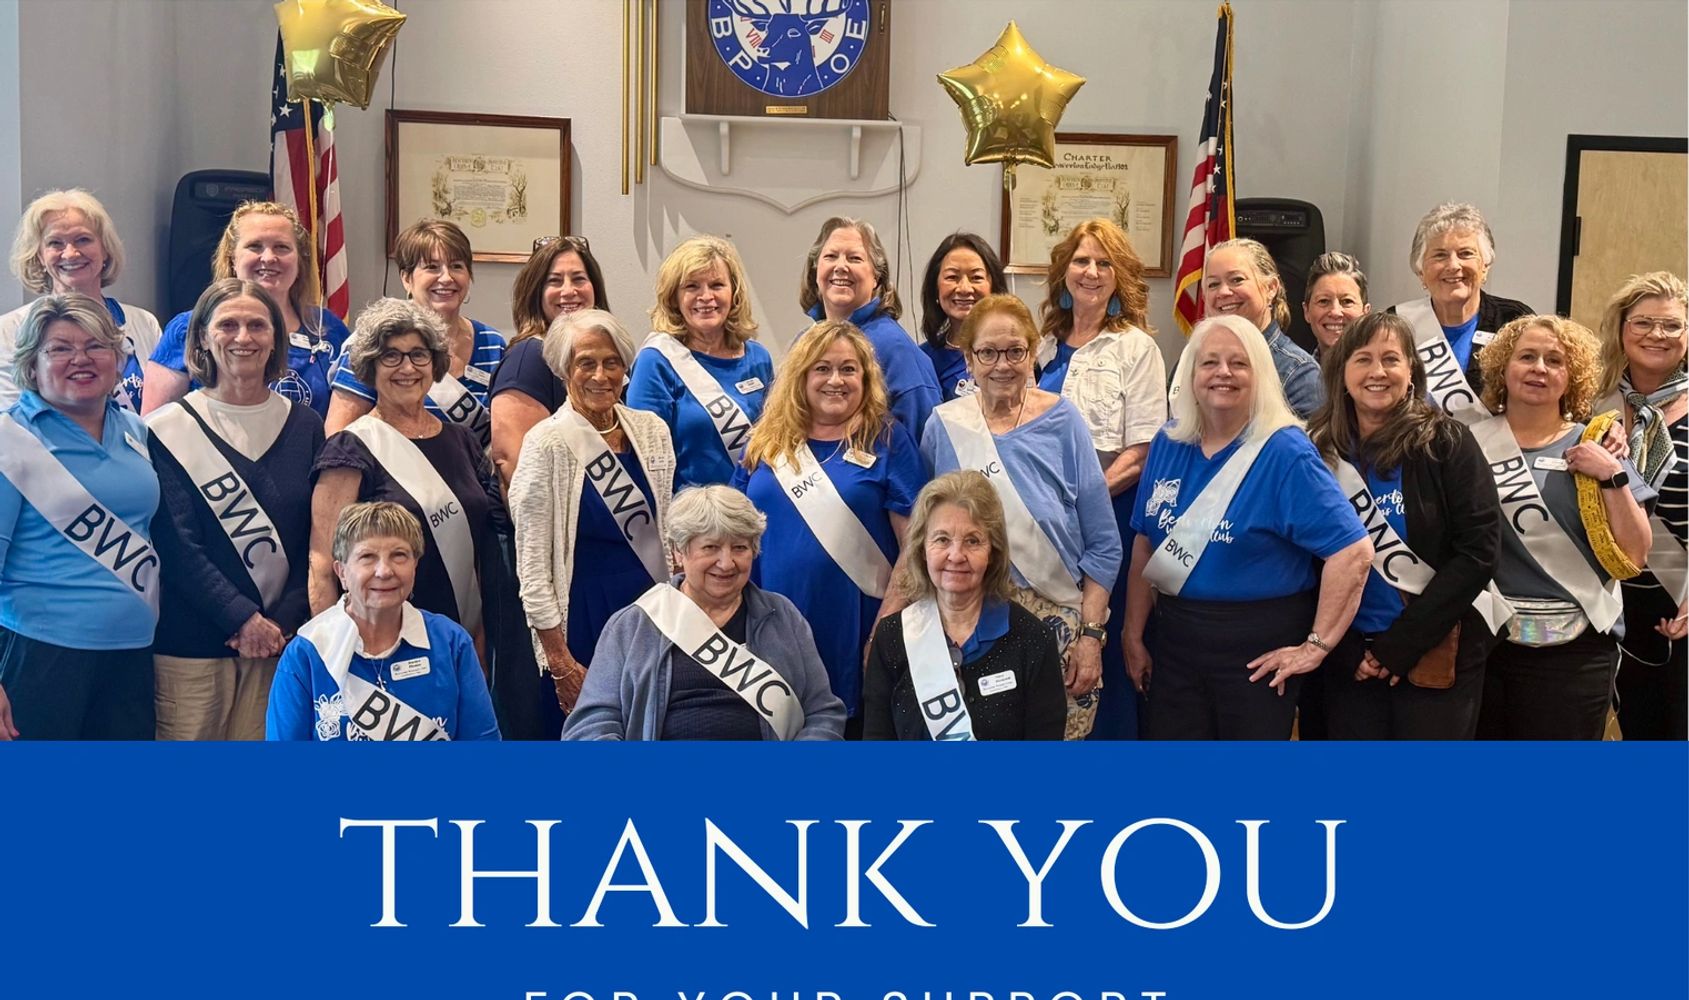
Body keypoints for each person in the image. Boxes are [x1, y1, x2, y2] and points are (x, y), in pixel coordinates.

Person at [1123, 314, 1373, 741]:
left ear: (1260, 375)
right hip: (1175, 642)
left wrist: (1316, 646)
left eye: (1239, 363)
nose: (1223, 373)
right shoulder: (1169, 442)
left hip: (1257, 655)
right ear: (1190, 373)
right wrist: (1132, 632)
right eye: (1209, 363)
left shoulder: (1285, 451)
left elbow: (1353, 553)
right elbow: (1146, 543)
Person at [919, 294, 1122, 739]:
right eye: (988, 352)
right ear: (969, 358)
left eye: (1015, 351)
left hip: (1059, 623)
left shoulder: (1065, 421)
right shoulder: (943, 427)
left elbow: (1105, 543)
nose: (1002, 364)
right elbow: (925, 537)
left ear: (1033, 353)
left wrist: (1090, 637)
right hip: (964, 623)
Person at [1306, 313, 1505, 739]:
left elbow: (1479, 552)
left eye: (1390, 359)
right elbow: (1303, 561)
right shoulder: (1317, 453)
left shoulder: (1448, 443)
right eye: (1363, 359)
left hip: (1435, 656)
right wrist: (1344, 650)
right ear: (1342, 375)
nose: (1377, 372)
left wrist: (1398, 648)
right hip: (1348, 659)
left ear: (1411, 372)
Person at [145, 279, 325, 740]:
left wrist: (281, 622)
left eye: (257, 326)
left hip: (278, 644)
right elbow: (175, 542)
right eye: (227, 324)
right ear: (203, 337)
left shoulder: (304, 426)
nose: (243, 337)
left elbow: (317, 539)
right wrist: (242, 619)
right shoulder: (166, 428)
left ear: (275, 338)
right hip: (191, 646)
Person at [733, 319, 924, 730]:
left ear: (866, 377)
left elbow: (915, 546)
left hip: (856, 626)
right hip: (771, 626)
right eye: (822, 368)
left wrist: (884, 631)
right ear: (800, 377)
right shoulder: (766, 440)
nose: (835, 380)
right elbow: (734, 531)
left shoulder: (888, 440)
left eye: (848, 369)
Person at [1472, 315, 1654, 740]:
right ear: (1504, 369)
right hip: (1486, 646)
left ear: (1571, 377)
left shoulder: (1598, 445)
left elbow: (1637, 554)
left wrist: (1611, 475)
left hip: (1575, 654)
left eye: (1554, 360)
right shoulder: (1467, 444)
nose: (1539, 368)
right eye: (1527, 357)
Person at [562, 485, 846, 740]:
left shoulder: (782, 615)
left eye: (739, 548)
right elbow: (590, 726)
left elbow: (822, 713)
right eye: (710, 547)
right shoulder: (633, 624)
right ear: (678, 552)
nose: (726, 563)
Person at [510, 309, 675, 740]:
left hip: (653, 613)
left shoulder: (652, 430)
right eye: (586, 362)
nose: (601, 375)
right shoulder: (545, 443)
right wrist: (560, 662)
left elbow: (670, 529)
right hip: (583, 620)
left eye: (612, 362)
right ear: (566, 369)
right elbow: (532, 568)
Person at [0, 294, 160, 739]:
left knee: (115, 800)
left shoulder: (135, 430)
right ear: (32, 365)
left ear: (116, 358)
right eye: (60, 349)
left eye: (95, 346)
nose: (81, 359)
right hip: (40, 652)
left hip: (131, 650)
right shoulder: (9, 439)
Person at [1035, 218, 1168, 740]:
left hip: (1106, 517)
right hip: (1043, 520)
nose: (1091, 272)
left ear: (1120, 277)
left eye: (1103, 262)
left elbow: (1141, 452)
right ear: (1064, 271)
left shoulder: (1137, 349)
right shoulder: (1041, 344)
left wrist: (1080, 502)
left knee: (1101, 643)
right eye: (1081, 260)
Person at [309, 299, 498, 654]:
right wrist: (338, 653)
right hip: (382, 643)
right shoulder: (351, 448)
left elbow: (481, 549)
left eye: (418, 354)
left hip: (462, 640)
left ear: (435, 362)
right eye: (391, 356)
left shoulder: (462, 440)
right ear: (370, 366)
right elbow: (322, 565)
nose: (407, 367)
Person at [267, 501, 499, 740]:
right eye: (367, 557)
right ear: (342, 572)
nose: (384, 571)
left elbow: (484, 748)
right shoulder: (307, 653)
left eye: (399, 555)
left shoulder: (450, 642)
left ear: (414, 567)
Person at [862, 470, 1066, 740]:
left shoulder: (1032, 639)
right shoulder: (891, 637)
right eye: (942, 539)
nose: (956, 555)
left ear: (992, 552)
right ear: (923, 548)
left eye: (972, 541)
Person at [142, 200, 350, 418]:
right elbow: (153, 429)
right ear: (232, 258)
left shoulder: (328, 329)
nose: (269, 257)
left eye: (282, 247)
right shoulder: (189, 328)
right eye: (255, 246)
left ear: (300, 260)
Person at [1596, 272, 1687, 739]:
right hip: (1598, 593)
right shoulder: (1590, 401)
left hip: (1676, 601)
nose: (1657, 335)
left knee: (1665, 739)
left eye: (1672, 325)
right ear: (1621, 329)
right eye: (1643, 323)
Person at [326, 220, 506, 445]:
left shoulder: (493, 343)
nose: (446, 277)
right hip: (392, 476)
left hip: (469, 478)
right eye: (432, 267)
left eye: (457, 266)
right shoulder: (373, 341)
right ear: (406, 278)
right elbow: (338, 434)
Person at [627, 236, 773, 490]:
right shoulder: (657, 360)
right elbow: (645, 459)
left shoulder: (759, 357)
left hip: (752, 512)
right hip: (691, 519)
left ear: (734, 293)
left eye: (717, 285)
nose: (706, 296)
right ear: (674, 297)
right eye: (692, 287)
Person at [1, 189, 160, 412]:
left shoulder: (144, 323)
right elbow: (13, 420)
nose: (70, 253)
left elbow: (161, 412)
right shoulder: (9, 331)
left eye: (83, 239)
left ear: (105, 249)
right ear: (39, 256)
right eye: (55, 243)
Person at [489, 235, 611, 491]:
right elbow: (515, 467)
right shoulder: (528, 359)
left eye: (579, 279)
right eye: (554, 281)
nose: (569, 291)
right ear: (536, 292)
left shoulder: (608, 354)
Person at [800, 217, 941, 436]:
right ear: (815, 270)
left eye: (854, 258)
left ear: (876, 277)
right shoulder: (803, 342)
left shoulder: (896, 349)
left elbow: (924, 443)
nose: (840, 266)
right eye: (830, 256)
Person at [1388, 202, 1533, 415]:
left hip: (1495, 447)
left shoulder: (1513, 320)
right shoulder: (1397, 324)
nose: (1453, 265)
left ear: (1485, 267)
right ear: (1421, 272)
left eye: (1465, 253)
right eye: (1440, 255)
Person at [918, 232, 1006, 401]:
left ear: (993, 286)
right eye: (952, 277)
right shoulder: (923, 359)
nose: (964, 288)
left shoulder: (1015, 353)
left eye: (976, 277)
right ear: (935, 288)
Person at [1303, 251, 1371, 356]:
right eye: (1324, 301)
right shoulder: (1289, 371)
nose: (1335, 312)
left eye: (1347, 301)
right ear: (1306, 311)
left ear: (1365, 312)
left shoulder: (1381, 372)